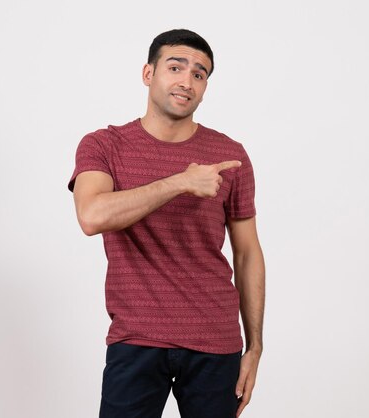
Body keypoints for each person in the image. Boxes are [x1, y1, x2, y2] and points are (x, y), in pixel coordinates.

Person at [68, 29, 265, 418]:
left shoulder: (229, 154)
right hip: (137, 337)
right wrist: (180, 182)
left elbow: (247, 254)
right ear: (148, 73)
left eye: (199, 74)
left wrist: (254, 346)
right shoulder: (104, 145)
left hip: (215, 340)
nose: (186, 80)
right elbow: (92, 216)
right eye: (175, 67)